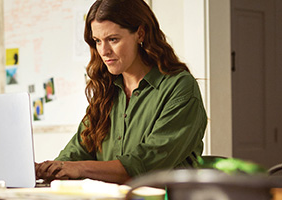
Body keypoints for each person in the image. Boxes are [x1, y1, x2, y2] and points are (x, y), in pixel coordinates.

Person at [35, 0, 207, 184]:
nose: (104, 51)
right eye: (97, 41)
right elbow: (77, 152)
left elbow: (144, 165)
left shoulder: (179, 87)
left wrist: (80, 168)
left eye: (113, 39)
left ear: (140, 33)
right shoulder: (106, 91)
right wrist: (47, 169)